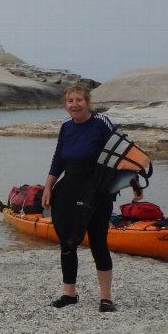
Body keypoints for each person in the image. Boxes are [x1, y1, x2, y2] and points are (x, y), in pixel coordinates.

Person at [40, 82, 119, 312]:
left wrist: (132, 183)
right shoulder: (66, 127)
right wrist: (48, 186)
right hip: (69, 189)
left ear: (87, 102)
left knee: (98, 243)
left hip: (97, 191)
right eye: (70, 101)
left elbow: (119, 154)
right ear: (65, 105)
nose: (74, 105)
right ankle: (69, 294)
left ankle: (105, 298)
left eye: (79, 100)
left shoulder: (101, 123)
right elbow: (59, 159)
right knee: (67, 242)